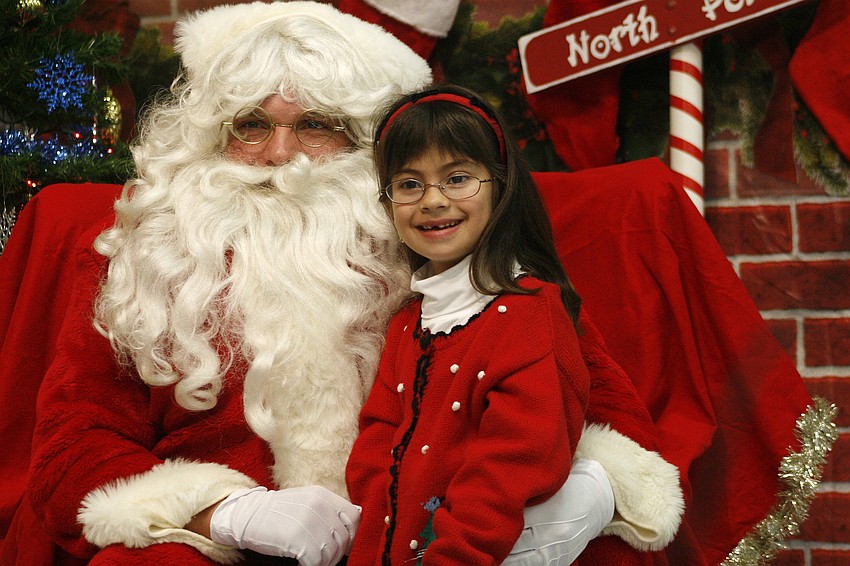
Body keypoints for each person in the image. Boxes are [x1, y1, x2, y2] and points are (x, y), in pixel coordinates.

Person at [0, 2, 684, 565]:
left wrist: (590, 488)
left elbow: (600, 403)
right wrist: (228, 511)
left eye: (316, 127)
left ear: (368, 144)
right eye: (250, 126)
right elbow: (73, 445)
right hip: (224, 548)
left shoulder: (442, 246)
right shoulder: (150, 255)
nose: (278, 155)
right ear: (211, 136)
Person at [344, 83, 593, 564]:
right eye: (409, 184)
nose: (432, 201)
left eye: (457, 178)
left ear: (499, 184)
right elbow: (376, 453)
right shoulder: (407, 323)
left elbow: (508, 470)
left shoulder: (528, 312)